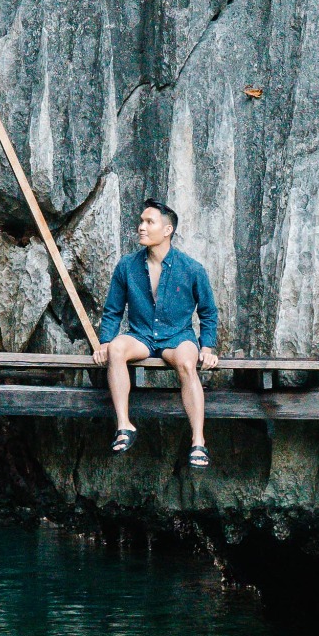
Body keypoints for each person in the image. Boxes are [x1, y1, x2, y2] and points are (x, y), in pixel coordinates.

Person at [94, 198, 220, 467]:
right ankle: (125, 425)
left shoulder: (192, 268)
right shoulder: (127, 266)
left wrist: (207, 347)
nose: (141, 227)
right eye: (141, 221)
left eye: (149, 222)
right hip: (140, 335)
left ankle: (198, 441)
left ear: (167, 230)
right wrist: (104, 342)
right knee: (116, 349)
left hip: (177, 337)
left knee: (187, 362)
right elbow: (113, 310)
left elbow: (208, 312)